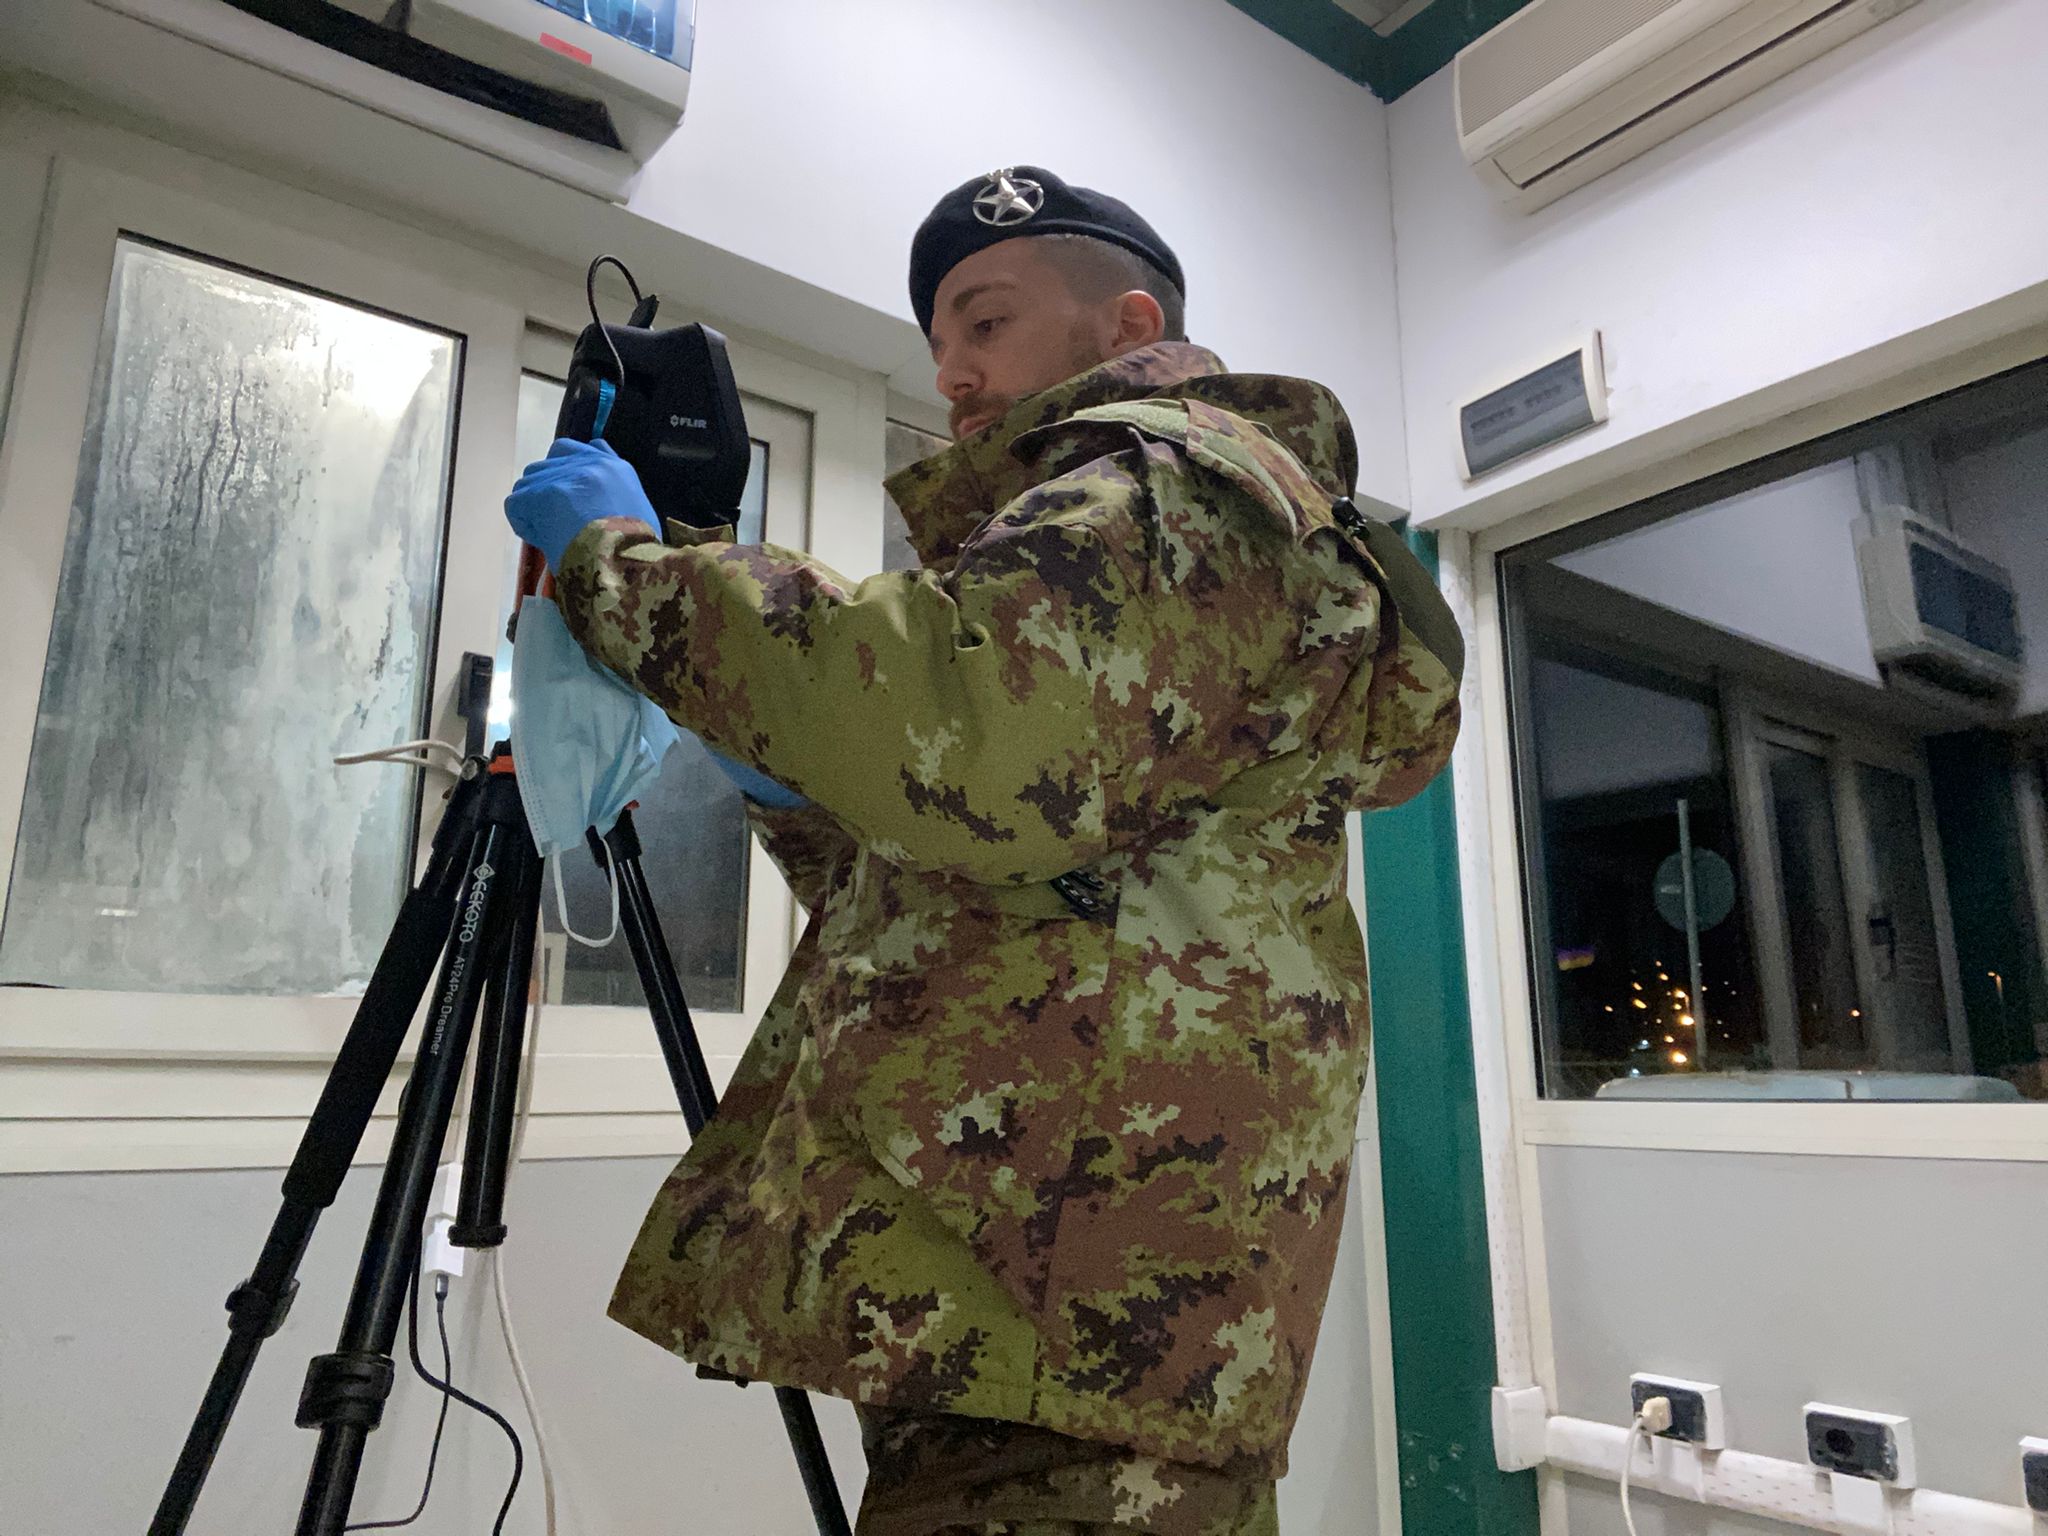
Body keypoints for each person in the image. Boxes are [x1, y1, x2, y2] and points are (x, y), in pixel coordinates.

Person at [505, 164, 1463, 1536]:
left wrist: (619, 565)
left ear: (1129, 324)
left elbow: (965, 729)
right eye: (938, 341)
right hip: (1046, 1305)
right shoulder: (1117, 549)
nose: (951, 373)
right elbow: (993, 882)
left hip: (1069, 1315)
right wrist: (795, 785)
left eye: (988, 321)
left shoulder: (1177, 485)